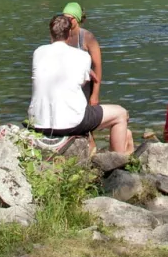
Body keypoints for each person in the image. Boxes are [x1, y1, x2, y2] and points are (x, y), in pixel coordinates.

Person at [29, 14, 132, 153]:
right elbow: (82, 83)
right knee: (120, 114)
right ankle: (116, 164)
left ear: (50, 33)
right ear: (69, 34)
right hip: (71, 123)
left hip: (38, 122)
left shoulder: (38, 52)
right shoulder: (82, 56)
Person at [61, 2, 102, 106]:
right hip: (66, 85)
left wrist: (95, 95)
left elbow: (97, 66)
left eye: (70, 18)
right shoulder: (60, 35)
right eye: (64, 18)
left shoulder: (87, 37)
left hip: (85, 86)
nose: (66, 21)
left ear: (78, 19)